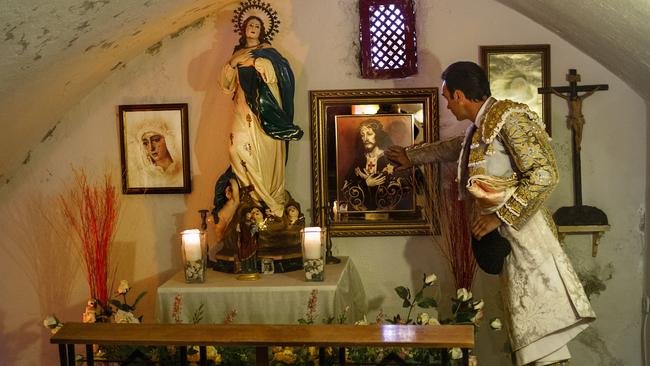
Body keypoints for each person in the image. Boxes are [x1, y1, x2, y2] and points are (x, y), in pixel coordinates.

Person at [386, 61, 595, 366]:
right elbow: (457, 147)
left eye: (446, 96)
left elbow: (544, 174)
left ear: (459, 95)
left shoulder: (509, 117)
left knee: (540, 336)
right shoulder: (482, 126)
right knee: (527, 336)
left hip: (528, 240)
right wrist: (412, 156)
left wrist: (499, 216)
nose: (446, 103)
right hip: (510, 241)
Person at [220, 14, 303, 218]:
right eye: (250, 25)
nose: (253, 28)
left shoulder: (269, 53)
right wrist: (234, 63)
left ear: (262, 30)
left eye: (257, 25)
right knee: (235, 147)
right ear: (244, 29)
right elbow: (225, 85)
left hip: (264, 111)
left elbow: (280, 76)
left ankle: (266, 199)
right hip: (242, 107)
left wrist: (256, 62)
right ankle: (250, 194)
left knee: (266, 154)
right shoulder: (237, 54)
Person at [341, 118, 410, 211]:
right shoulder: (359, 160)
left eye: (369, 134)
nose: (366, 138)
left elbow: (402, 187)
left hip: (389, 217)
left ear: (378, 135)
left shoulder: (390, 158)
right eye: (362, 135)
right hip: (363, 218)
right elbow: (347, 185)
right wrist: (366, 184)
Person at [132, 119, 183, 187]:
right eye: (146, 143)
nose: (151, 148)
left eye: (156, 140)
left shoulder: (180, 169)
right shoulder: (144, 174)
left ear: (167, 140)